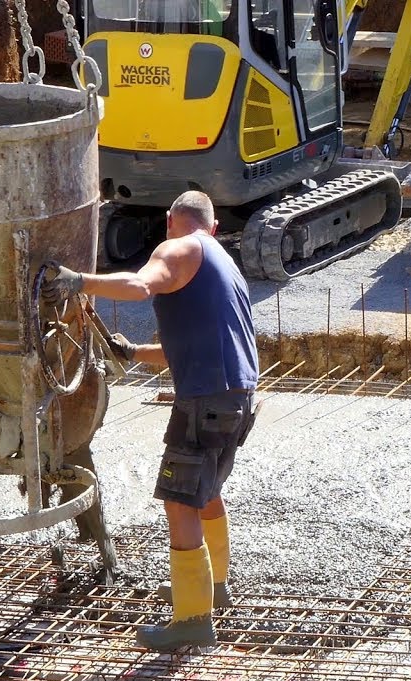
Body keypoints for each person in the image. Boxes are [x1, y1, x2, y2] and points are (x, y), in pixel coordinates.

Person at [42, 190, 259, 650]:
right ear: (215, 225)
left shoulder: (177, 249)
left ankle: (192, 619)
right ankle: (211, 590)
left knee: (179, 502)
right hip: (236, 397)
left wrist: (77, 280)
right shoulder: (224, 264)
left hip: (203, 401)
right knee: (207, 493)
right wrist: (134, 353)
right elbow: (194, 347)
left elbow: (140, 287)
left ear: (168, 221)